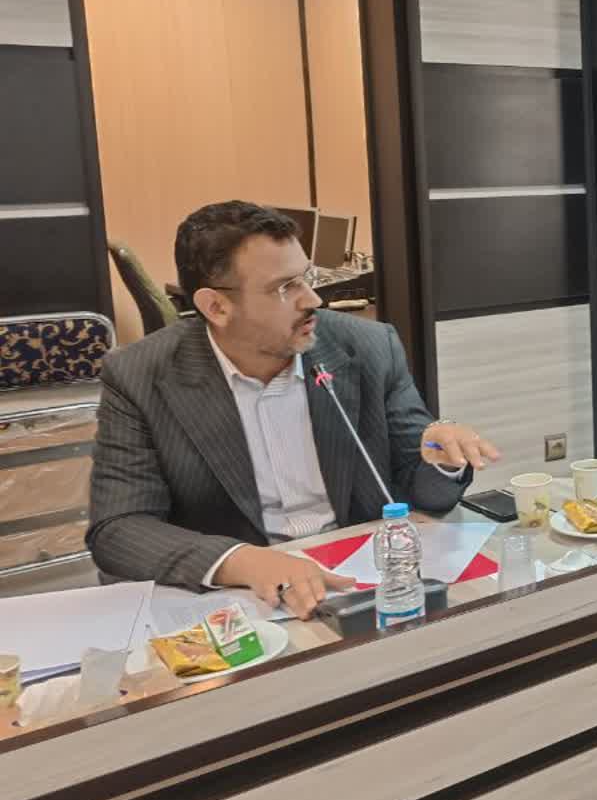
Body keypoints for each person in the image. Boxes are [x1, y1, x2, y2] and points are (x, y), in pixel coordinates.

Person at [87, 201, 498, 618]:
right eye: (285, 288)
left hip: (357, 581)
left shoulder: (368, 348)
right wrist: (244, 562)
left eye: (307, 277)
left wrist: (442, 461)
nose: (313, 299)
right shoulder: (141, 376)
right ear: (216, 307)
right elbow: (118, 529)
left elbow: (426, 494)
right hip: (243, 600)